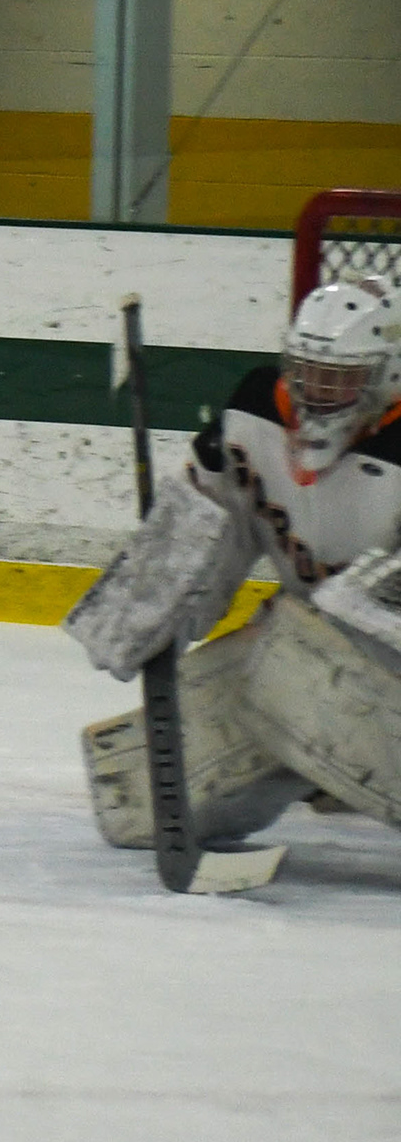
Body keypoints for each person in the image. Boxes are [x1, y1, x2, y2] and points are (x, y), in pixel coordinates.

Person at [66, 275, 401, 848]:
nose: (315, 393)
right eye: (306, 372)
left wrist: (341, 622)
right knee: (137, 799)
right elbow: (209, 518)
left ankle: (343, 757)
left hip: (365, 654)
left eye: (340, 379)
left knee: (297, 672)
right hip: (306, 649)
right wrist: (154, 597)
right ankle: (327, 762)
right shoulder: (254, 415)